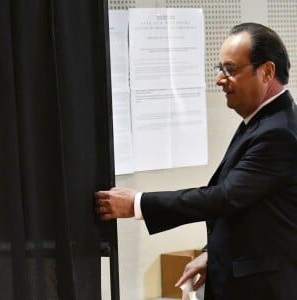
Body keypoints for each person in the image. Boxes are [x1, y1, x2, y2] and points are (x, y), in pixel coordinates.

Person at [95, 23, 297, 300]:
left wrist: (137, 203)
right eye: (219, 69)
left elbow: (224, 198)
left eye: (230, 70)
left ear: (267, 72)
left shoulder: (278, 132)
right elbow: (252, 211)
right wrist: (211, 254)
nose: (219, 79)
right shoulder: (262, 121)